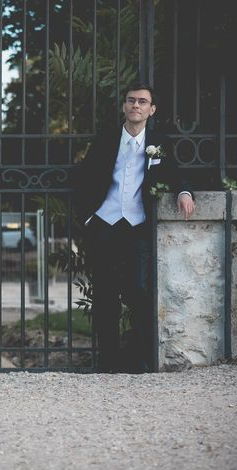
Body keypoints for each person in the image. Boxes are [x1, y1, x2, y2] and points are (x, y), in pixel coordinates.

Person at [74, 83, 195, 373]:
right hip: (104, 223)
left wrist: (185, 193)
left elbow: (175, 172)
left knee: (139, 291)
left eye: (142, 101)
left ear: (151, 110)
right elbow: (85, 177)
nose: (136, 105)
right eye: (131, 100)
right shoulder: (106, 139)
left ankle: (140, 359)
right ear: (124, 106)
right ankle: (108, 362)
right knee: (104, 293)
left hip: (137, 226)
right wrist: (88, 218)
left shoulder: (158, 142)